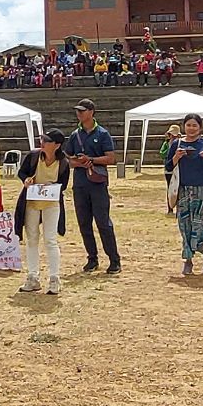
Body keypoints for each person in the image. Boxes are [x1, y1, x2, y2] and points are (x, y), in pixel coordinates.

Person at [65, 99, 123, 274]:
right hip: (80, 184)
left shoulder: (103, 133)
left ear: (91, 112)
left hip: (98, 183)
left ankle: (114, 259)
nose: (79, 114)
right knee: (84, 223)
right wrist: (78, 162)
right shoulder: (75, 135)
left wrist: (91, 160)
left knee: (103, 222)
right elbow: (68, 159)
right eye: (78, 111)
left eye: (82, 111)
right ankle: (92, 258)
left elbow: (111, 158)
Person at [162, 114, 203, 275]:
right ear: (184, 127)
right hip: (184, 192)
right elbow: (168, 166)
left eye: (194, 125)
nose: (191, 128)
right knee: (186, 226)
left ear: (200, 128)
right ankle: (188, 260)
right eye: (188, 125)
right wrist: (176, 157)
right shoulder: (177, 144)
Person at [15, 130, 70, 294]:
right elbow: (22, 172)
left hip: (51, 204)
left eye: (47, 140)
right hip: (31, 202)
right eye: (42, 139)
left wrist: (51, 188)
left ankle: (54, 279)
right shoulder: (33, 156)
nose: (43, 142)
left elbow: (63, 185)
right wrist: (26, 181)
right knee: (32, 239)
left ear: (57, 145)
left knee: (50, 239)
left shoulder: (63, 163)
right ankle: (33, 277)